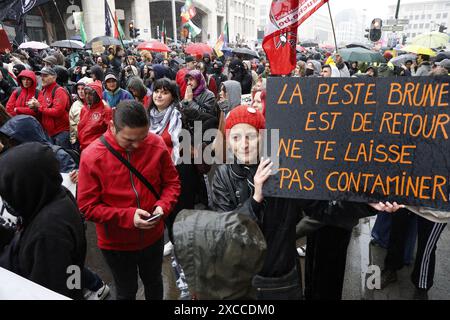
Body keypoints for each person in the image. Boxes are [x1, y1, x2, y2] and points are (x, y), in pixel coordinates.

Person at [77, 100, 181, 300]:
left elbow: (172, 183)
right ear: (112, 126)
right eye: (129, 140)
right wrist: (128, 216)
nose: (138, 145)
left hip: (154, 236)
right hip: (116, 244)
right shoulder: (92, 156)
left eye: (142, 137)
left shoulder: (156, 143)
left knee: (154, 281)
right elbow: (87, 207)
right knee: (126, 289)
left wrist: (162, 207)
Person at [0, 142, 86, 299]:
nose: (6, 200)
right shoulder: (54, 193)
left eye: (8, 191)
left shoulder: (49, 232)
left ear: (26, 187)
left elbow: (51, 290)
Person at [26, 67, 71, 149]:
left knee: (64, 158)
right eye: (41, 75)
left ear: (54, 77)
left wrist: (39, 106)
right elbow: (41, 110)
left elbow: (57, 112)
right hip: (48, 133)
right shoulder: (43, 91)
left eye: (45, 76)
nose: (42, 78)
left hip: (61, 133)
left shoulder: (59, 91)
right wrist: (34, 107)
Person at [78, 82, 112, 152]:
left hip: (97, 149)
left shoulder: (105, 110)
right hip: (83, 148)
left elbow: (110, 133)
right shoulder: (84, 109)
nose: (87, 96)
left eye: (90, 94)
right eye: (86, 93)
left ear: (98, 95)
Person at [69, 77, 93, 150]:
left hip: (93, 141)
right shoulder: (75, 105)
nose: (80, 91)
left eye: (83, 88)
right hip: (79, 142)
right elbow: (75, 126)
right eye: (78, 89)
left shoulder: (96, 104)